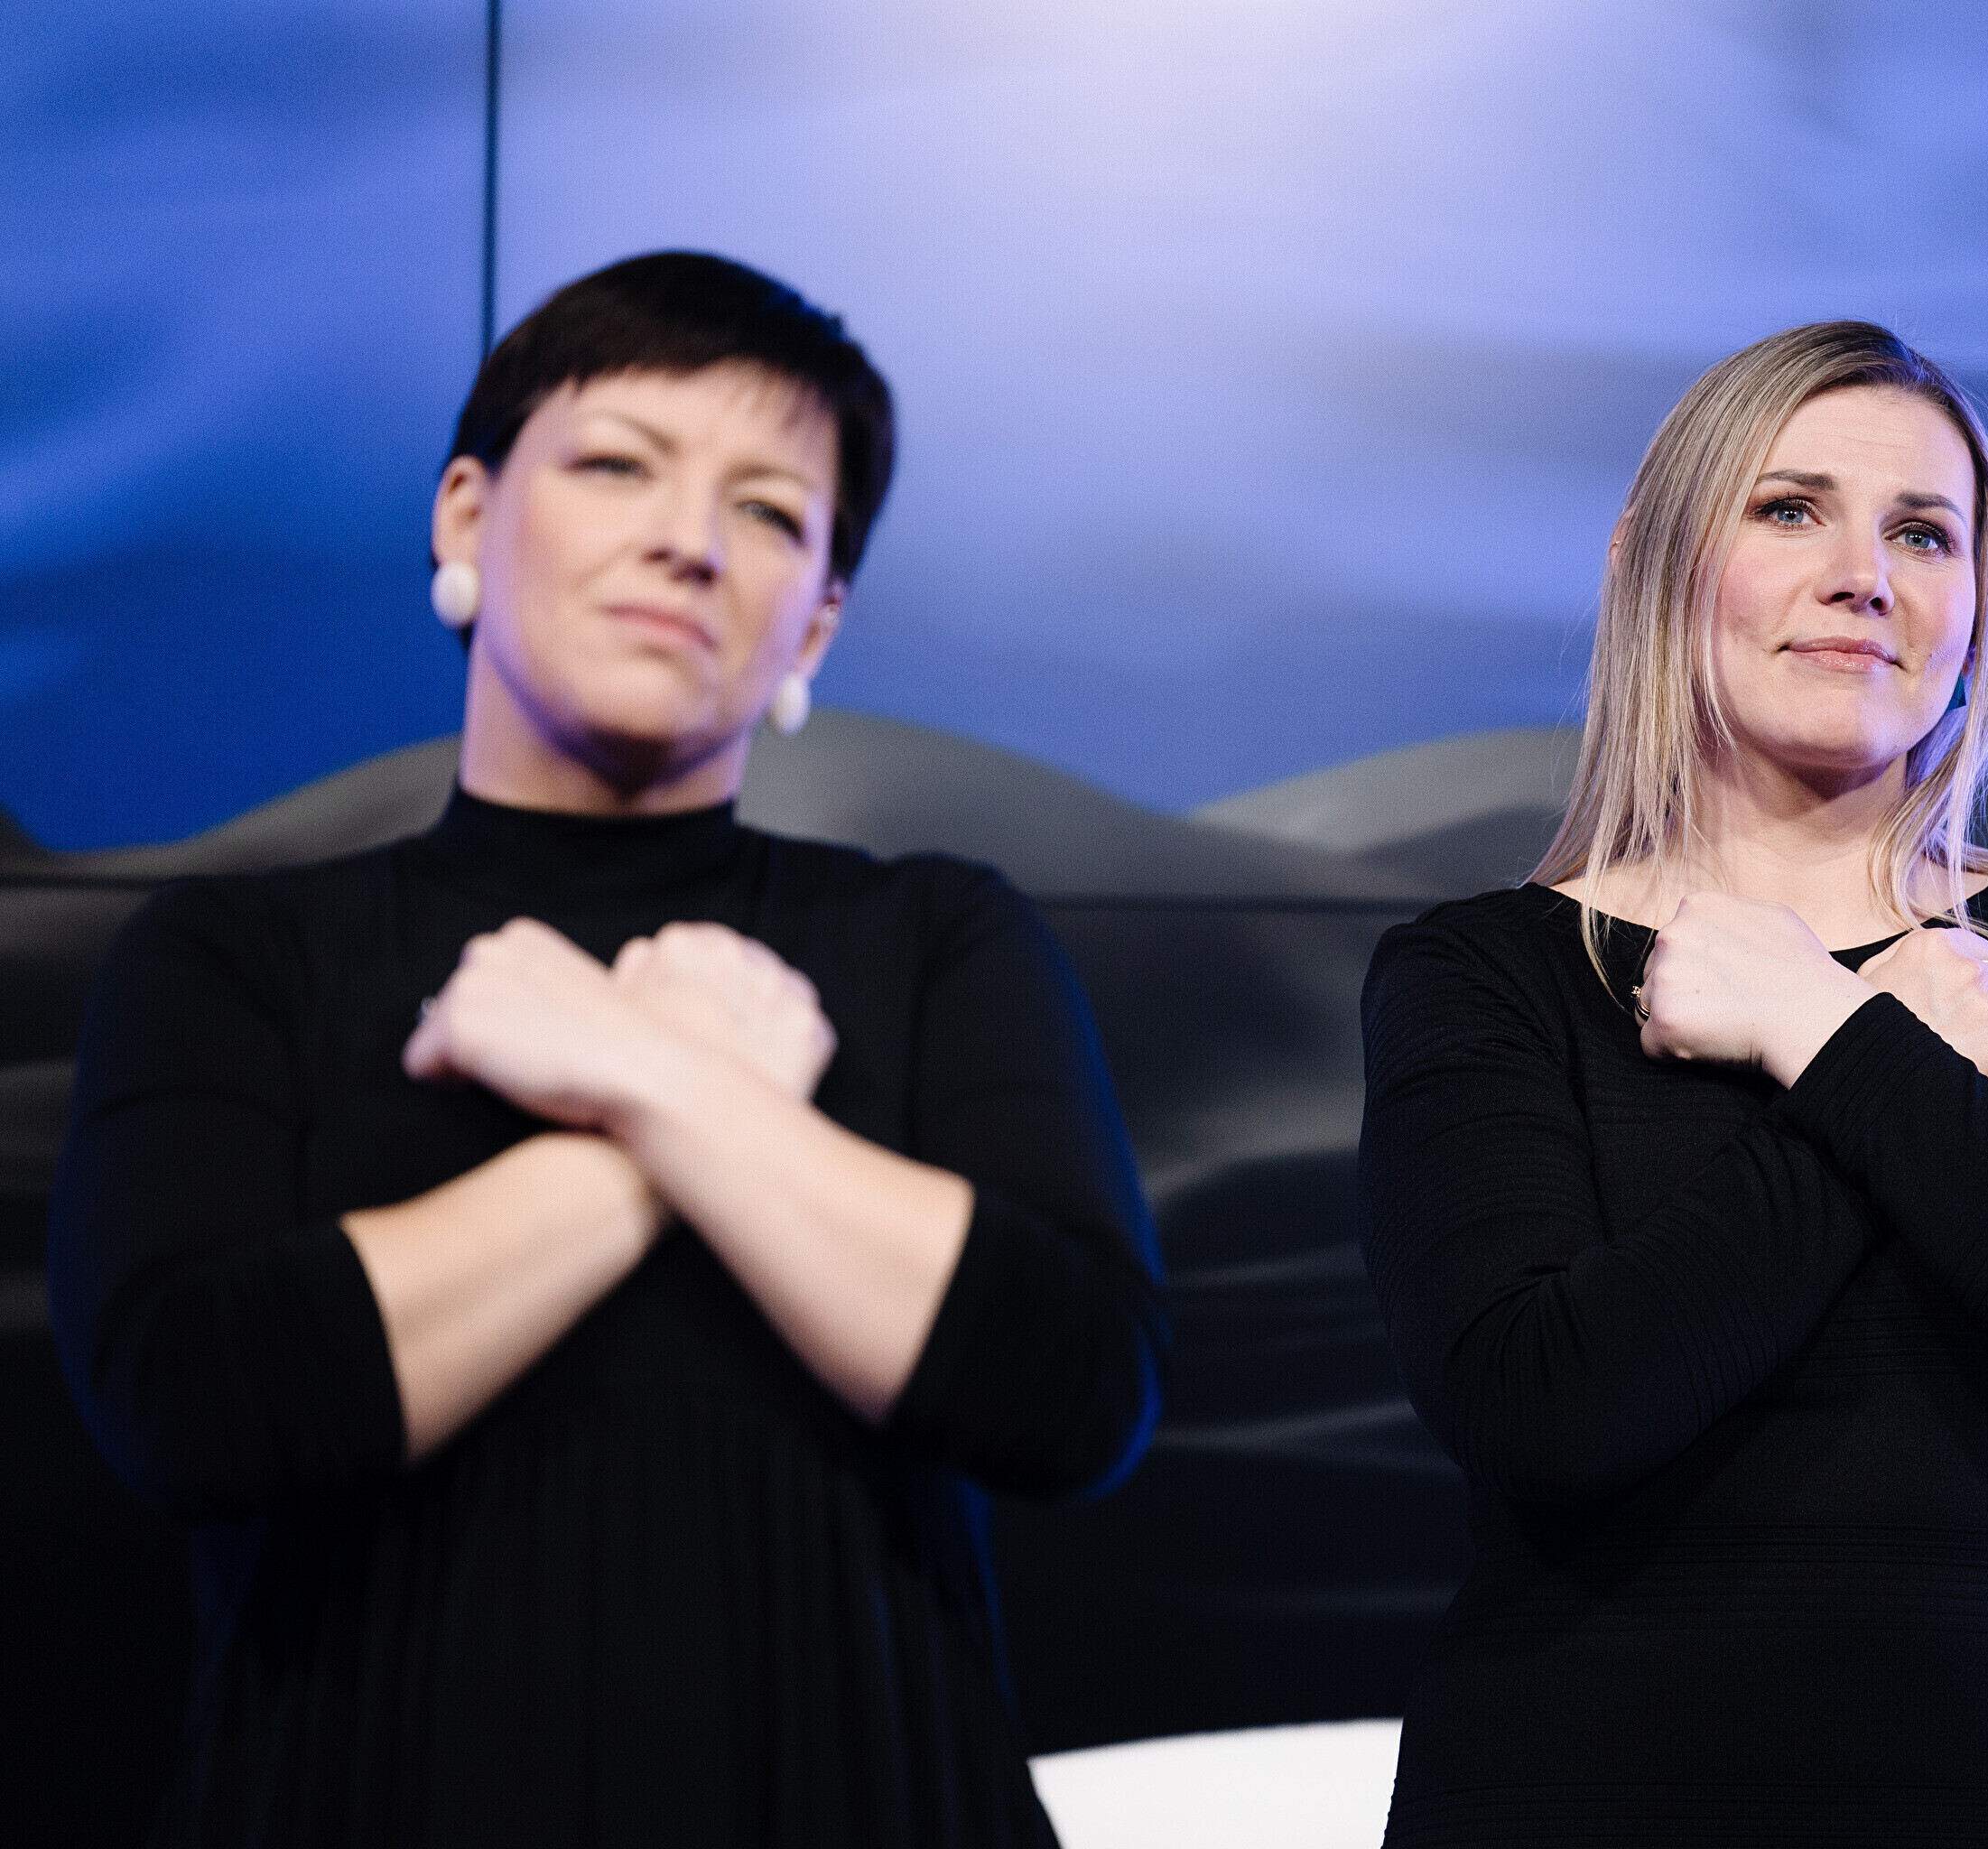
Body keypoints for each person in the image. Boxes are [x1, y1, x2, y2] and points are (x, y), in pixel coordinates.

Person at [48, 252, 1165, 1847]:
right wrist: (682, 1095)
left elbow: (1071, 1387)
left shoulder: (938, 940)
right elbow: (198, 1402)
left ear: (816, 625)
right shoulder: (236, 954)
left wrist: (655, 1075)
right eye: (619, 465)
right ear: (465, 518)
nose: (687, 541)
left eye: (768, 510)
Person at [1358, 321, 1988, 1844]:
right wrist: (1887, 1053)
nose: (1864, 575)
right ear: (1655, 562)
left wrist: (1827, 1032)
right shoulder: (1487, 974)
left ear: (1974, 613)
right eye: (1791, 510)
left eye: (1922, 533)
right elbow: (1545, 1405)